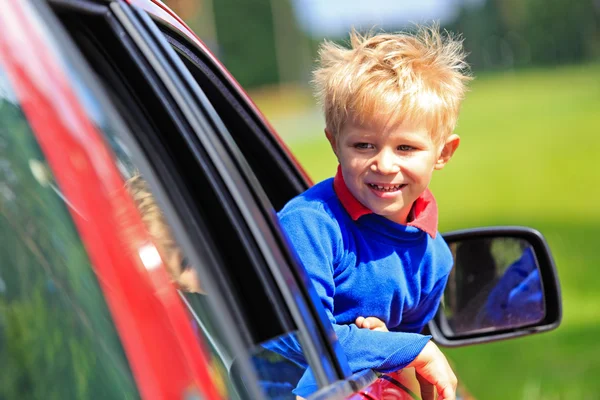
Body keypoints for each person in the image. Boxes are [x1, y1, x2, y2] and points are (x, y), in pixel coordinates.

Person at [276, 25, 471, 400]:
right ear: (335, 142)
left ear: (444, 153)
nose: (384, 164)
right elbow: (303, 337)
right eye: (364, 145)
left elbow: (401, 360)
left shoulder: (433, 259)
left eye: (406, 148)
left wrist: (395, 350)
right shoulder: (310, 226)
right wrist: (407, 348)